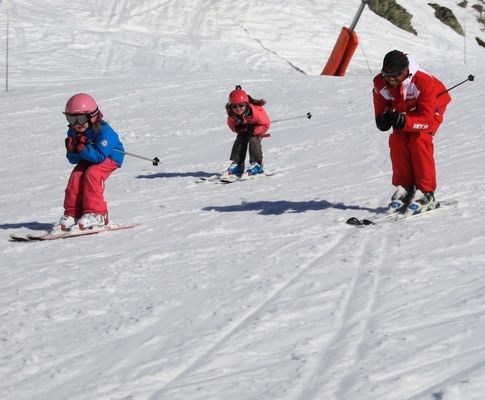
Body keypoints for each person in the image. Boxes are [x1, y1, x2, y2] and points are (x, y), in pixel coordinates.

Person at [373, 50, 451, 214]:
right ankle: (406, 188)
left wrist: (405, 121)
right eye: (386, 74)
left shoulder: (423, 81)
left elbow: (427, 122)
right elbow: (380, 106)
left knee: (419, 139)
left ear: (405, 71)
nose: (390, 78)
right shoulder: (381, 82)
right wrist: (383, 119)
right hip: (407, 107)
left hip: (432, 106)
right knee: (397, 140)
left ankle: (426, 192)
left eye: (394, 74)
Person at [58, 93, 125, 231]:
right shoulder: (74, 131)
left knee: (92, 173)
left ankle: (98, 214)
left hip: (110, 157)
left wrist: (82, 148)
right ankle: (73, 213)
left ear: (92, 116)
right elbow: (72, 160)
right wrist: (73, 150)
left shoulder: (105, 131)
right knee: (77, 174)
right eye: (72, 119)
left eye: (81, 119)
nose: (77, 124)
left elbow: (100, 157)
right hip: (89, 156)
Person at [225, 86, 271, 176]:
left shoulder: (256, 112)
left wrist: (254, 130)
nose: (238, 109)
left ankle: (257, 164)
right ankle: (238, 164)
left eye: (241, 105)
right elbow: (232, 126)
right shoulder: (232, 114)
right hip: (245, 128)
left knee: (253, 139)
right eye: (235, 106)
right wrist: (238, 128)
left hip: (258, 128)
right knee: (240, 138)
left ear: (246, 104)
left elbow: (265, 125)